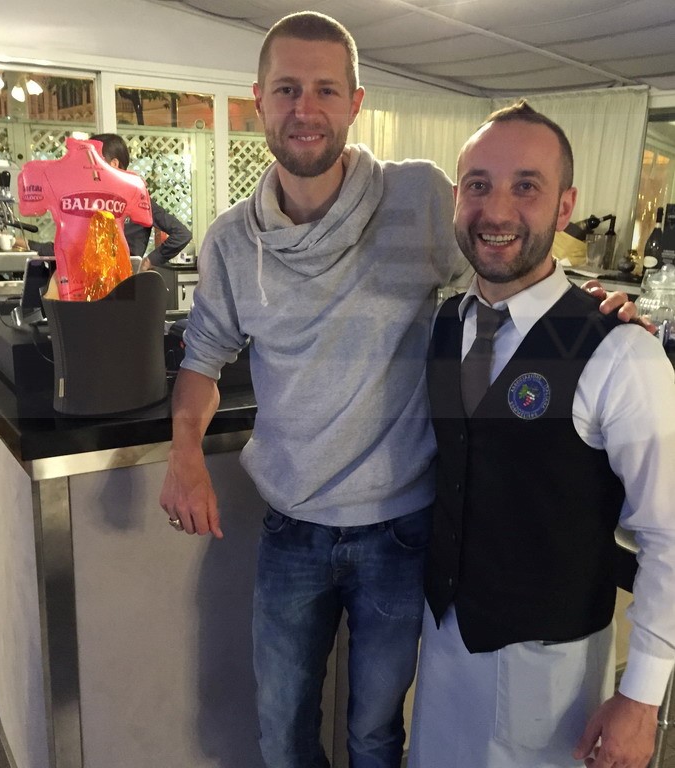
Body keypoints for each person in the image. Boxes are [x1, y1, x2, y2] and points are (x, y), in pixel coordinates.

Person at [159, 13, 636, 768]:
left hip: (402, 531)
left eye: (325, 89)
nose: (305, 108)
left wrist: (588, 309)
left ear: (355, 102)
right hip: (290, 528)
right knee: (280, 730)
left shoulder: (417, 195)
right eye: (287, 89)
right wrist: (184, 453)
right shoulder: (229, 241)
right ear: (259, 100)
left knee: (377, 733)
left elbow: (506, 255)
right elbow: (203, 359)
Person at [409, 101, 675, 768]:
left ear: (564, 207)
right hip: (443, 645)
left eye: (525, 186)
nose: (496, 211)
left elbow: (669, 534)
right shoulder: (445, 323)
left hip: (550, 667)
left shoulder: (621, 351)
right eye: (478, 185)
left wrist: (641, 696)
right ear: (456, 199)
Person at [89, 133, 192, 270]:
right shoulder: (87, 201)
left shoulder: (138, 198)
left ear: (114, 164)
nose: (88, 167)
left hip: (125, 278)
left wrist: (151, 260)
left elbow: (182, 234)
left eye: (93, 161)